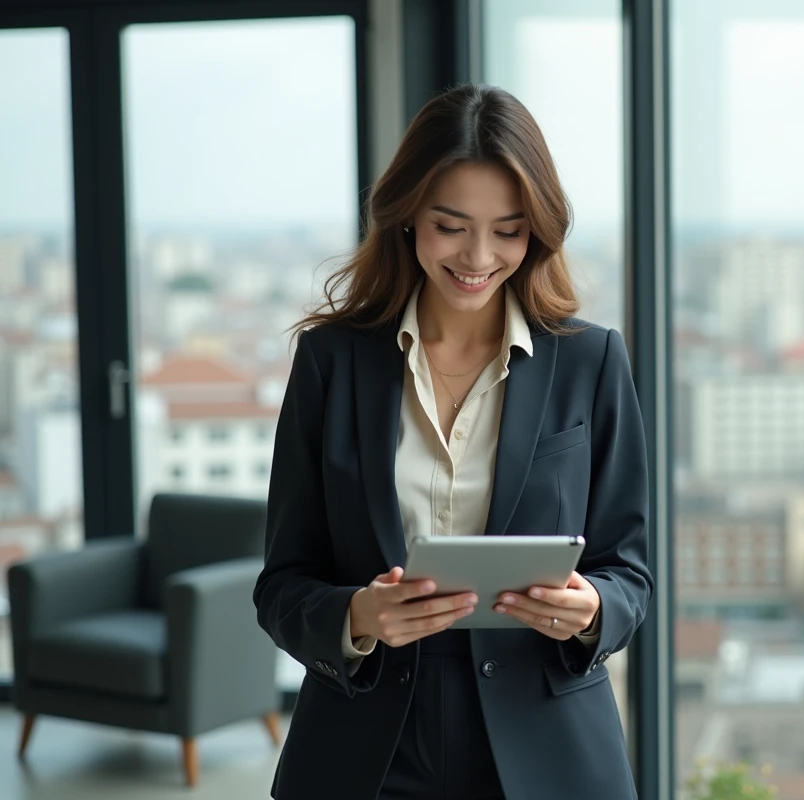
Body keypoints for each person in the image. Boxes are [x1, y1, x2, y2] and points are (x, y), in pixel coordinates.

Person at [252, 83, 652, 800]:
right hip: (366, 746)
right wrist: (357, 616)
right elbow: (282, 585)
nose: (478, 255)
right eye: (451, 225)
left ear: (537, 230)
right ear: (408, 218)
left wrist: (594, 609)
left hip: (546, 746)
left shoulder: (591, 361)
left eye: (508, 229)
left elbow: (632, 572)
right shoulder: (331, 363)